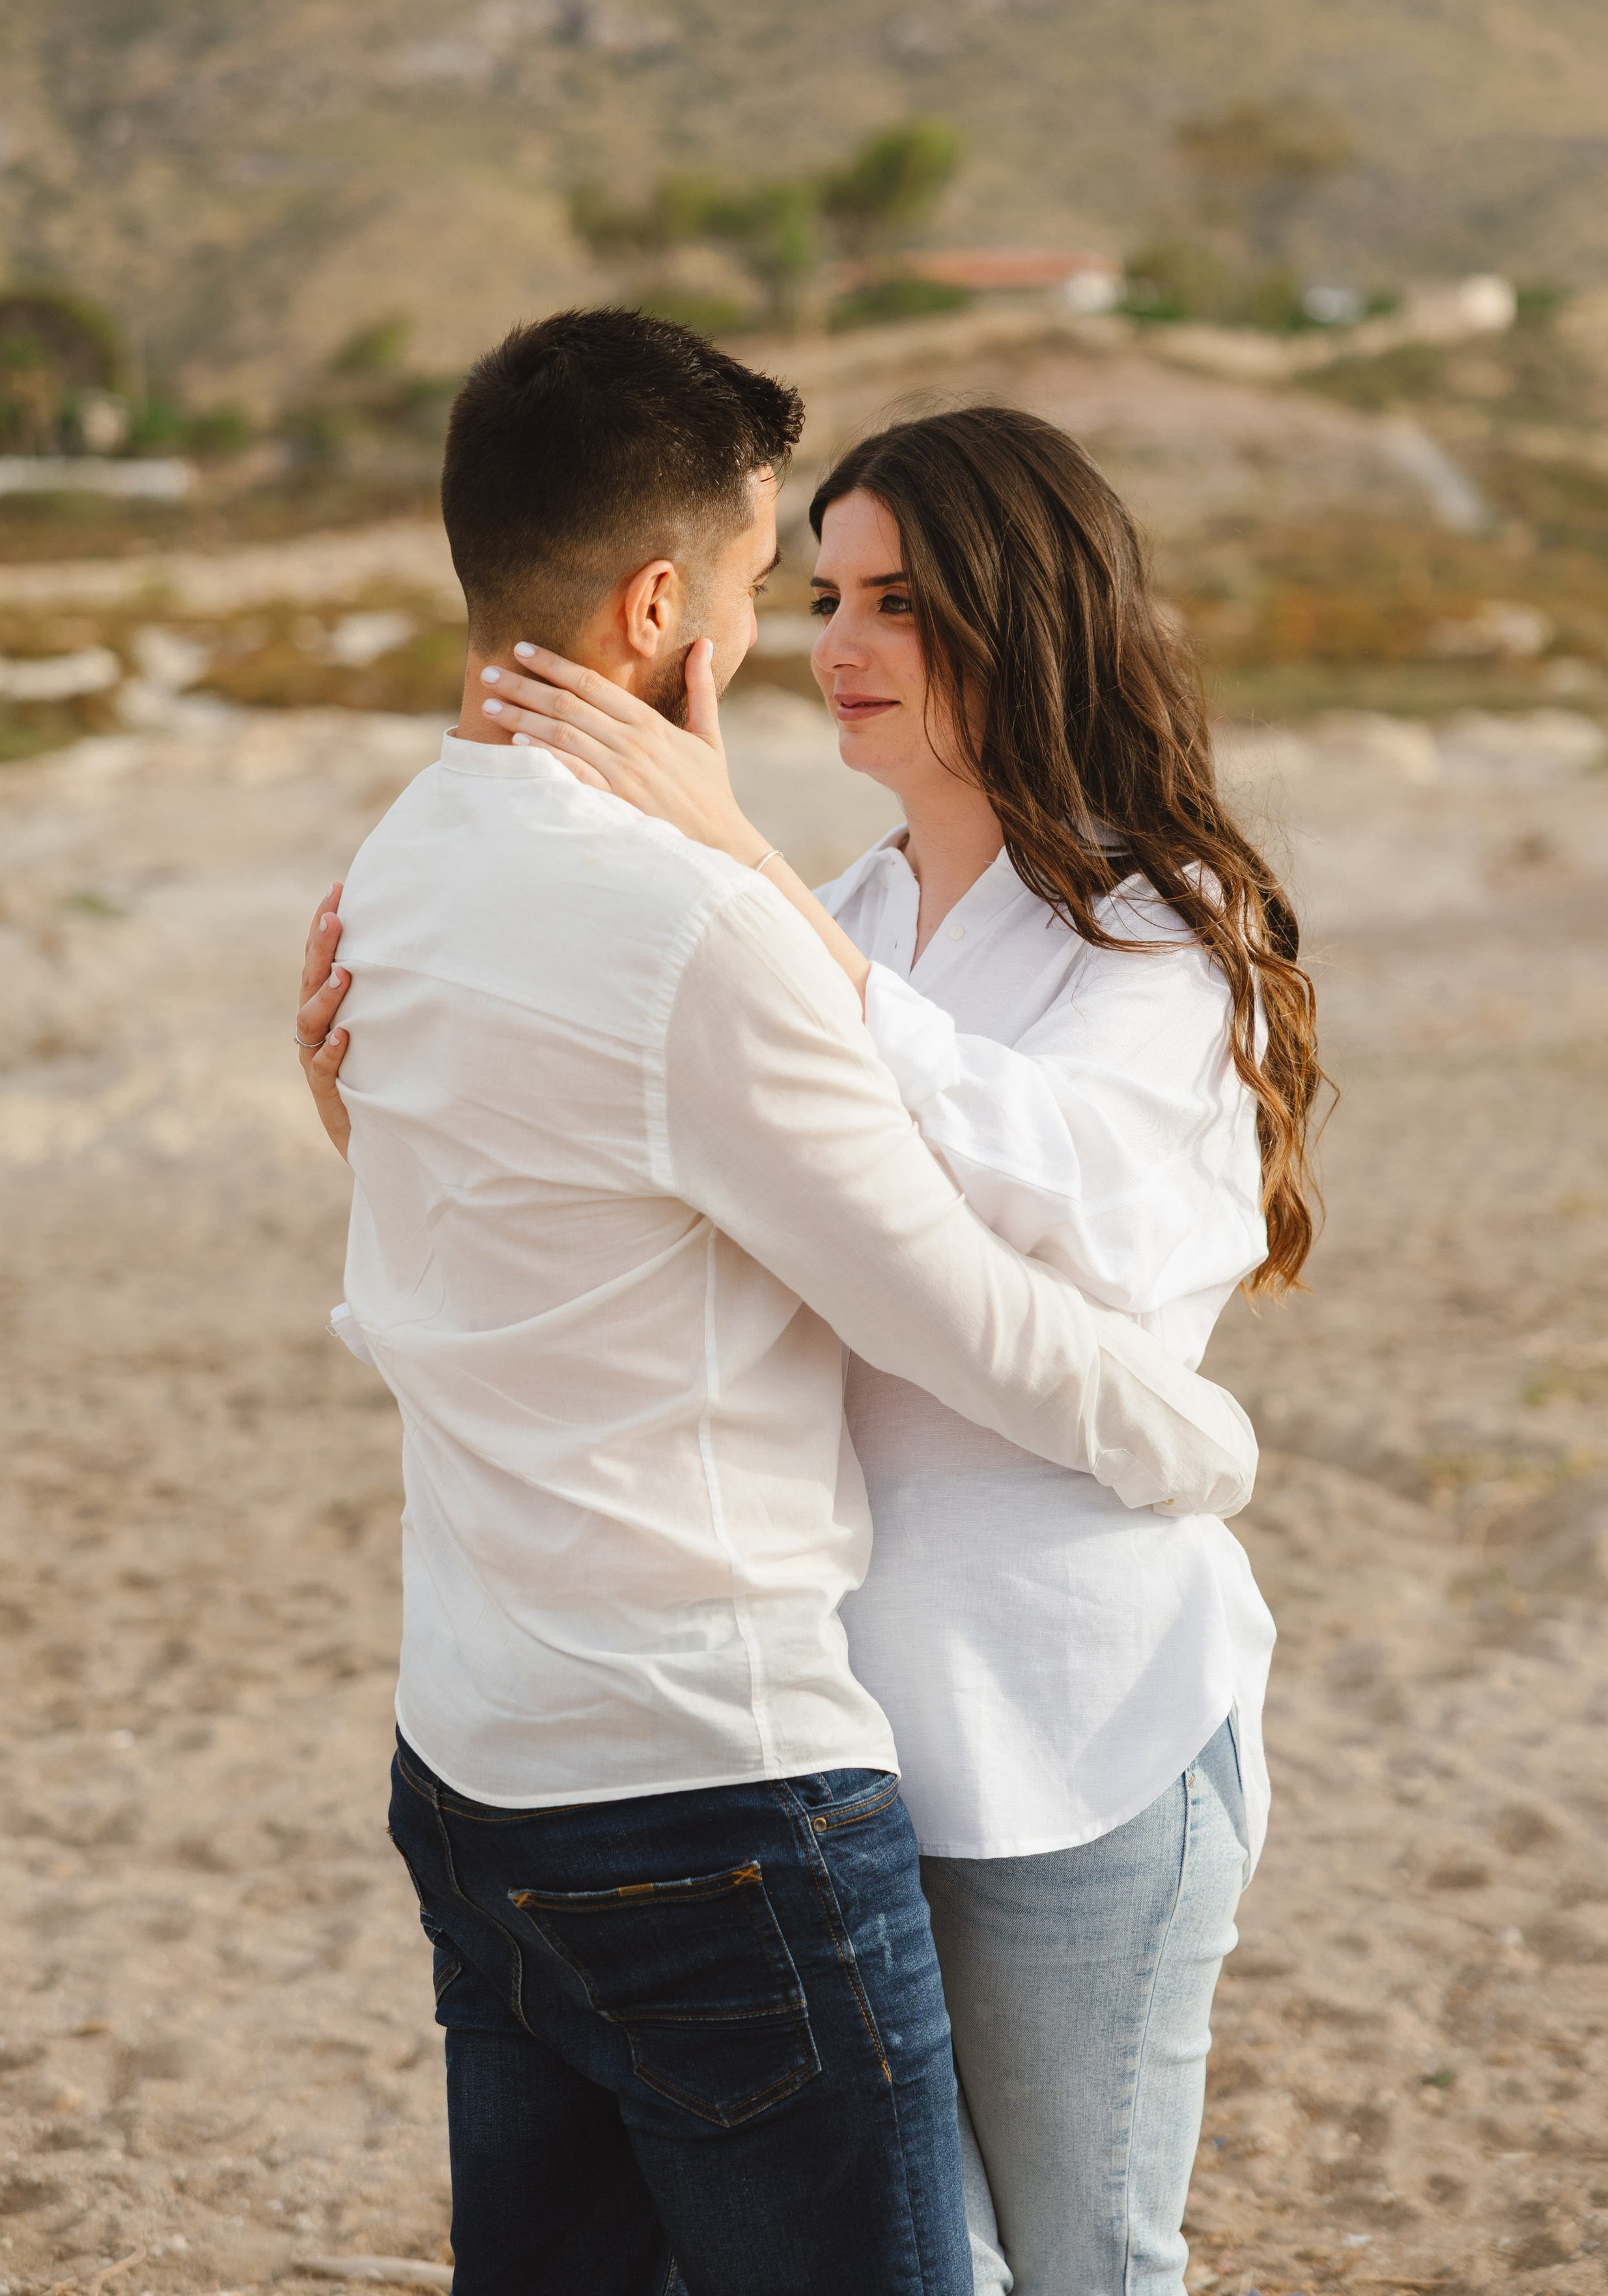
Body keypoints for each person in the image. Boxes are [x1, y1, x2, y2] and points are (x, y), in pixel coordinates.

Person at [303, 403, 1325, 2296]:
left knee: (1092, 2263)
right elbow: (693, 1240)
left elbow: (1098, 1221)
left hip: (1069, 1718)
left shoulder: (1162, 934)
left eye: (903, 608)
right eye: (827, 594)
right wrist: (385, 1100)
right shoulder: (834, 911)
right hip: (834, 1739)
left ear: (1030, 622)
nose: (840, 650)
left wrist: (760, 899)